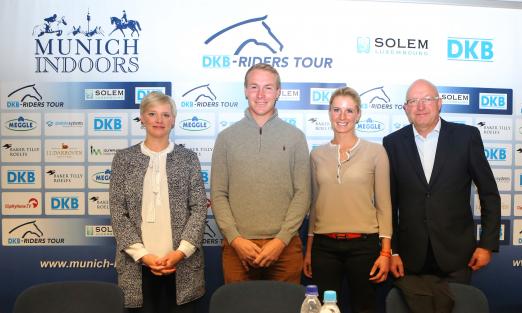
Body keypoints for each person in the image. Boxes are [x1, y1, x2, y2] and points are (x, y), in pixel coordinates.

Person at [382, 79, 500, 311]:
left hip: (457, 256)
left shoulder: (466, 137)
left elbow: (489, 194)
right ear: (406, 109)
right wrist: (392, 251)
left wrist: (486, 245)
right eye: (413, 101)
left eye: (427, 99)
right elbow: (388, 205)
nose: (420, 106)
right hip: (408, 259)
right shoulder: (393, 143)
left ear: (439, 103)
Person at [211, 63, 311, 283]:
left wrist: (281, 240)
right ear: (245, 90)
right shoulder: (226, 138)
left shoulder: (295, 137)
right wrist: (235, 239)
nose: (261, 94)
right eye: (254, 87)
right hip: (237, 249)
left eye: (268, 87)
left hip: (285, 247)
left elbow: (303, 193)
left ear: (278, 93)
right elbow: (218, 194)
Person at [110, 92, 207, 313]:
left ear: (173, 120)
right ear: (142, 118)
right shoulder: (123, 159)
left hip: (182, 265)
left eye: (165, 114)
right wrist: (144, 256)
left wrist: (180, 253)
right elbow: (118, 211)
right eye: (152, 114)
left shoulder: (188, 158)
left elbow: (199, 208)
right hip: (137, 265)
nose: (159, 120)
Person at [303, 87, 392, 313]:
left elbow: (384, 205)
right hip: (324, 248)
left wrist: (385, 252)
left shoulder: (376, 152)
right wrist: (309, 250)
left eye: (349, 110)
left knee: (365, 308)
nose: (342, 117)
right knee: (324, 310)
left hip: (364, 246)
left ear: (358, 114)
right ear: (329, 113)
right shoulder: (316, 155)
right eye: (336, 110)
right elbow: (315, 206)